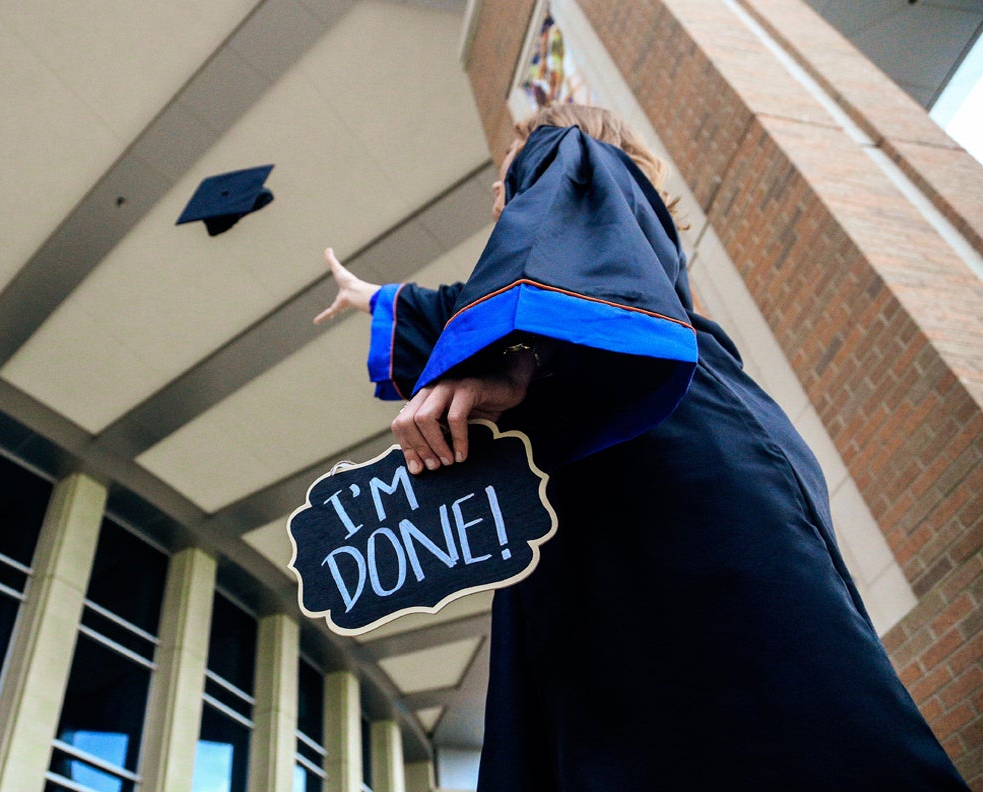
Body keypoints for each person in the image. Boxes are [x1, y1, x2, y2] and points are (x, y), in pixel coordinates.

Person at [315, 104, 967, 790]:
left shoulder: (565, 151)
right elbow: (480, 298)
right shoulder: (596, 242)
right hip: (648, 453)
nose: (499, 193)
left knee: (751, 700)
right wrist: (375, 297)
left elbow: (537, 275)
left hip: (660, 448)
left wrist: (515, 356)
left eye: (506, 177)